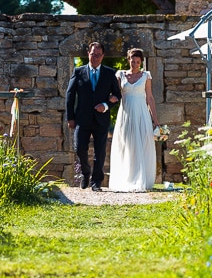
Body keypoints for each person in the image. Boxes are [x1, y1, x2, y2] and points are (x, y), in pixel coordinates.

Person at [65, 41, 121, 191]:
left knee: (100, 152)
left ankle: (96, 183)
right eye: (92, 54)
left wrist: (106, 105)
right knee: (79, 148)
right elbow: (70, 96)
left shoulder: (110, 73)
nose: (95, 57)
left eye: (98, 55)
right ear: (88, 54)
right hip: (82, 119)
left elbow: (117, 95)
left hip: (101, 119)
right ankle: (85, 172)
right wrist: (70, 117)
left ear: (102, 56)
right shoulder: (78, 72)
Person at [109, 48, 161, 192]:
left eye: (138, 62)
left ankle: (141, 178)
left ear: (141, 62)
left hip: (141, 114)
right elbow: (114, 93)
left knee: (142, 143)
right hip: (125, 114)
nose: (135, 64)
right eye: (133, 61)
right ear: (129, 60)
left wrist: (155, 120)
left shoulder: (146, 76)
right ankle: (126, 178)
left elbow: (149, 97)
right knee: (127, 144)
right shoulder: (120, 75)